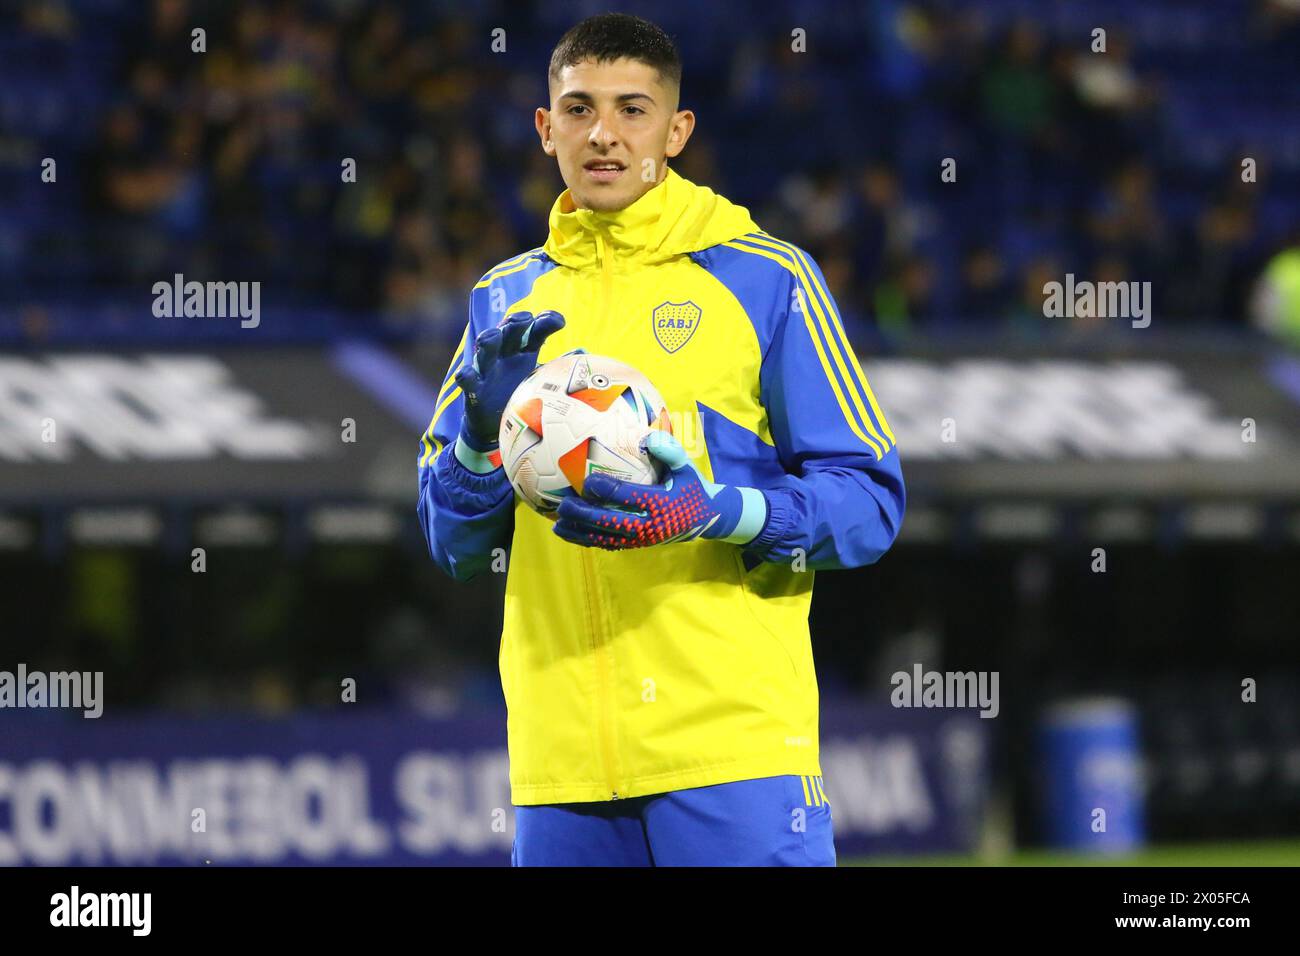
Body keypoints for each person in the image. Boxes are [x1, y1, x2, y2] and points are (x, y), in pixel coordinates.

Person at [417, 13, 905, 866]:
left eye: (632, 109)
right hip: (560, 769)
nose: (603, 134)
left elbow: (869, 502)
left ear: (677, 131)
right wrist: (477, 441)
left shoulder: (765, 279)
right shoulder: (502, 301)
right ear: (545, 130)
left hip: (732, 756)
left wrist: (717, 513)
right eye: (577, 108)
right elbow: (453, 544)